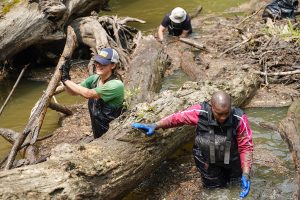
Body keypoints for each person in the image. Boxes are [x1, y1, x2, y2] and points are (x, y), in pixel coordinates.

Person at [132, 91, 253, 199]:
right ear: (211, 108)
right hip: (206, 158)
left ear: (231, 108)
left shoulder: (239, 118)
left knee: (236, 185)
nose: (223, 118)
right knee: (214, 190)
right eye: (219, 114)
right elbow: (178, 118)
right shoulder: (200, 112)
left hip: (232, 158)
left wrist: (246, 173)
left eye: (226, 113)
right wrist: (156, 125)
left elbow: (246, 147)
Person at [60, 47, 125, 139]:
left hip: (112, 134)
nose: (98, 65)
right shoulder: (94, 79)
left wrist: (65, 79)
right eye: (97, 62)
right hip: (97, 131)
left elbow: (89, 94)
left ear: (113, 65)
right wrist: (65, 81)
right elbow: (73, 92)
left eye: (103, 63)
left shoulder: (116, 85)